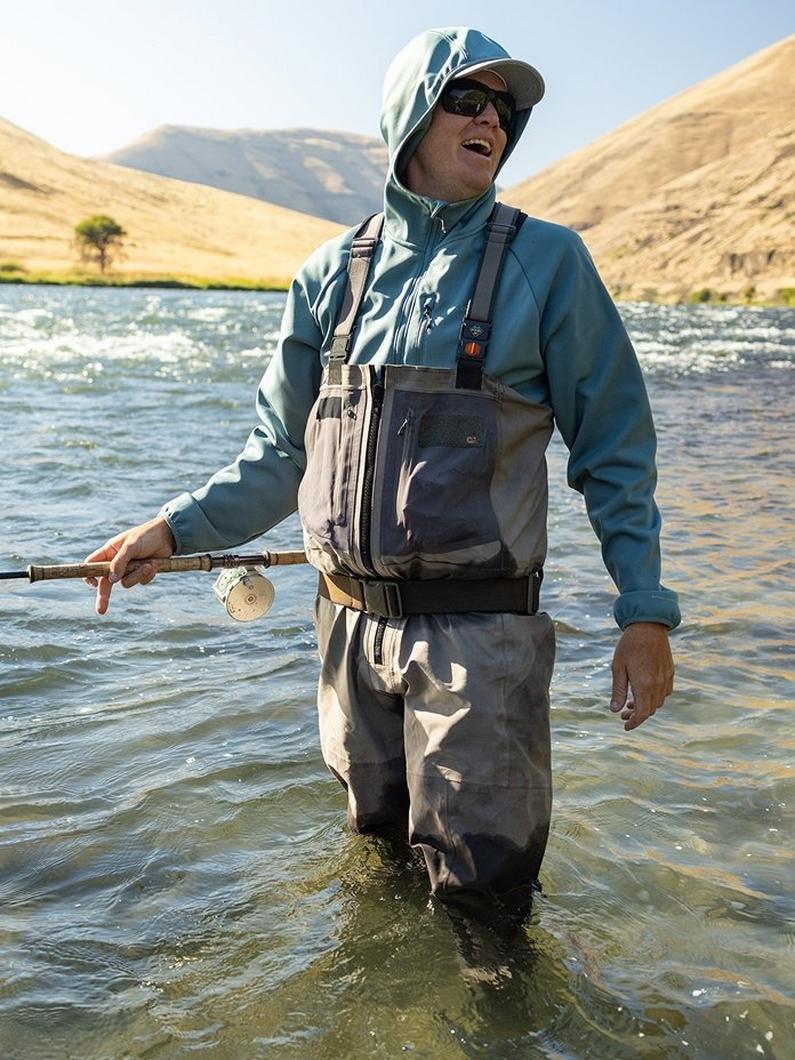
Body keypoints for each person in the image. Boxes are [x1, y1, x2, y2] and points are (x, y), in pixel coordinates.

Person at [86, 27, 678, 913]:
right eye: (466, 100)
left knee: (487, 904)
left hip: (480, 645)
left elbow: (615, 452)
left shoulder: (550, 262)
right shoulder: (329, 274)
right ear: (410, 114)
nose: (491, 120)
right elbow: (279, 456)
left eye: (503, 110)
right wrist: (171, 528)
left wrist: (643, 613)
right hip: (346, 638)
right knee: (376, 878)